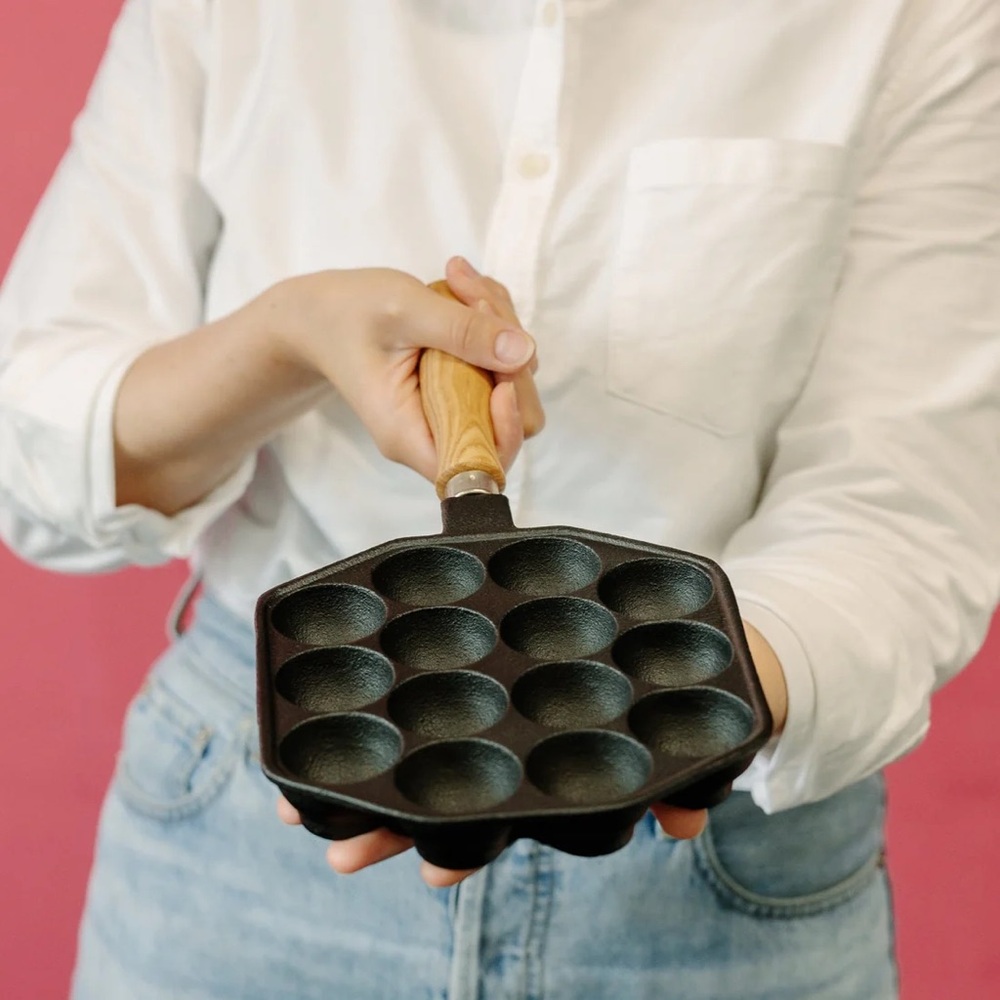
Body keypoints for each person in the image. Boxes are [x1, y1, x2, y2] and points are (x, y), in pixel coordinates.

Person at [1, 1, 998, 997]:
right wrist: (283, 341)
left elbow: (903, 498)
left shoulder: (912, 17)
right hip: (263, 822)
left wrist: (697, 699)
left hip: (723, 864)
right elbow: (34, 451)